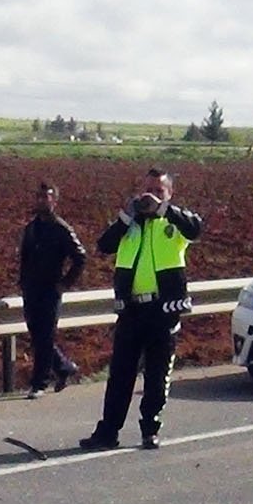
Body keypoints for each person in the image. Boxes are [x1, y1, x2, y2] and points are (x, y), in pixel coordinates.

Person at [79, 168, 203, 451]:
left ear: (169, 194)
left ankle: (150, 429)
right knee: (120, 374)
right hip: (132, 310)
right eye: (147, 190)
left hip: (163, 310)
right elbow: (104, 245)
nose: (150, 196)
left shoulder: (174, 225)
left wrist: (164, 210)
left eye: (159, 191)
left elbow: (196, 228)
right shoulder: (130, 225)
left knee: (157, 375)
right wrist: (127, 216)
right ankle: (108, 432)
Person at [16, 181, 86, 398]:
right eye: (38, 197)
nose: (41, 201)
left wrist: (65, 283)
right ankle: (64, 367)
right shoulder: (31, 229)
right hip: (31, 290)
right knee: (37, 336)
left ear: (54, 201)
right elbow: (25, 258)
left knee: (45, 337)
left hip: (50, 290)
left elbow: (80, 257)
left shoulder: (61, 229)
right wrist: (23, 282)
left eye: (45, 197)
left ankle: (39, 384)